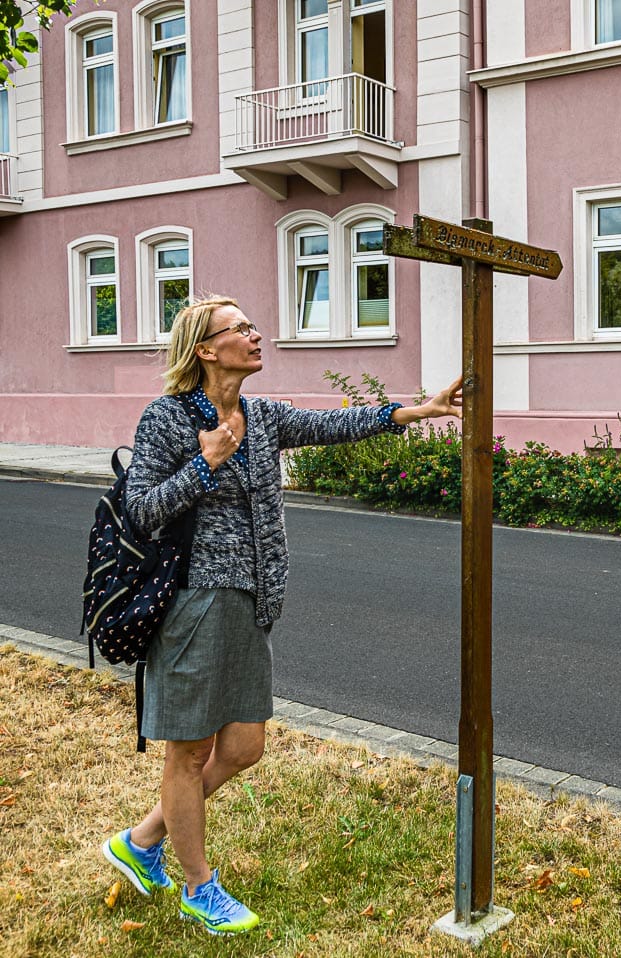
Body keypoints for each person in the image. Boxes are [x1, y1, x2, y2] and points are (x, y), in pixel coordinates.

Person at [100, 295, 463, 935]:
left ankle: (142, 840)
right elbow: (142, 511)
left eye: (253, 325)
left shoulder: (259, 415)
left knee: (244, 747)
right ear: (206, 349)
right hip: (192, 603)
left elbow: (332, 425)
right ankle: (198, 887)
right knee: (188, 753)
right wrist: (203, 464)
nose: (256, 333)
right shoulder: (166, 419)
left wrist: (415, 410)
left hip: (249, 602)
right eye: (240, 328)